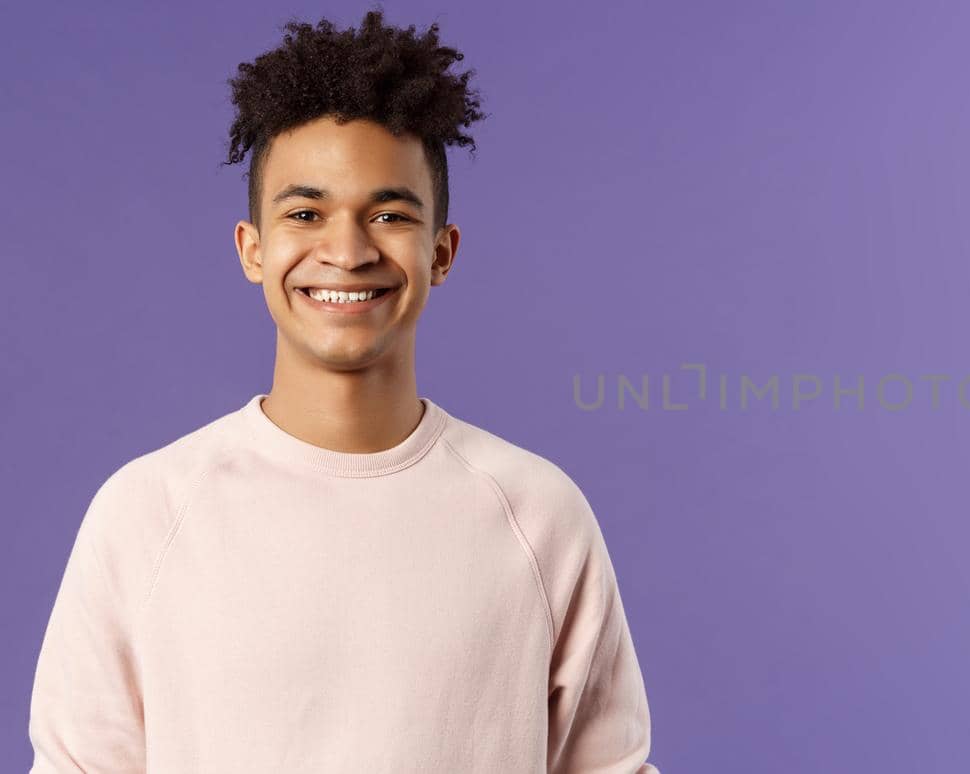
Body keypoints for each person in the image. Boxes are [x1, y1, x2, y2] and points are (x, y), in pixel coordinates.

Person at [27, 10, 659, 773]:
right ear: (253, 249)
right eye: (305, 213)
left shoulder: (538, 514)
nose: (348, 251)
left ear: (442, 251)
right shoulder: (146, 513)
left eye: (389, 215)